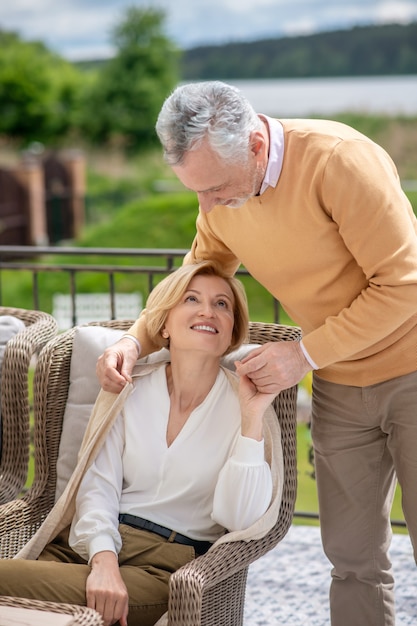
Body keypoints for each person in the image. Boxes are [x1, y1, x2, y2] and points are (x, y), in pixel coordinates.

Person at [96, 80, 417, 626]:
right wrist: (135, 339)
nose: (208, 207)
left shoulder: (339, 161)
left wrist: (302, 356)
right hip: (340, 383)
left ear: (256, 147)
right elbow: (192, 281)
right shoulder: (221, 198)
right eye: (195, 191)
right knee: (352, 559)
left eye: (216, 188)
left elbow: (405, 285)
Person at [0, 260, 284, 626]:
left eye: (221, 304)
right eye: (191, 299)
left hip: (165, 567)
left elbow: (240, 519)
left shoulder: (247, 405)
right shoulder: (128, 389)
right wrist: (104, 562)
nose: (206, 311)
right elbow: (97, 483)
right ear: (164, 324)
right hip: (90, 546)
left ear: (232, 333)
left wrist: (251, 418)